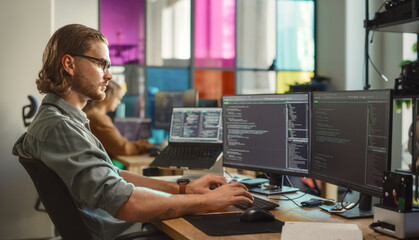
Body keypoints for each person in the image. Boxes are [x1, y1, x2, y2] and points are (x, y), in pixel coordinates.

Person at [12, 24, 252, 239]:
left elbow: (113, 175)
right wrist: (205, 201)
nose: (108, 74)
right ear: (69, 64)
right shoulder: (59, 127)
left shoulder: (63, 120)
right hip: (127, 232)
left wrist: (183, 188)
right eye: (100, 63)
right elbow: (127, 204)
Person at [83, 80, 153, 156]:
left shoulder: (91, 113)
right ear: (108, 96)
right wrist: (144, 147)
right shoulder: (97, 118)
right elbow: (123, 148)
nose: (119, 102)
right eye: (118, 98)